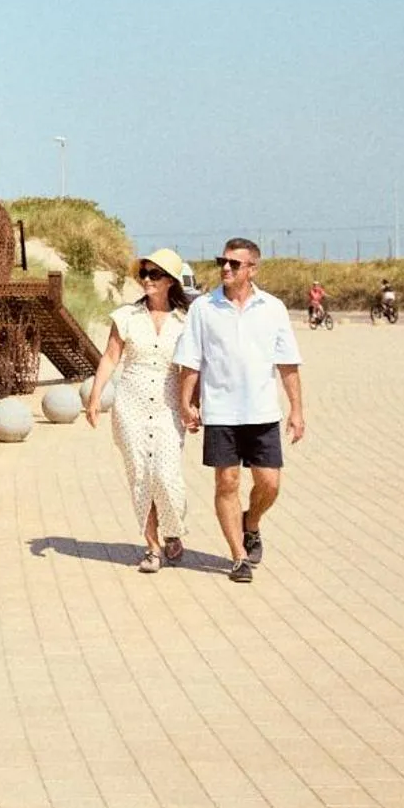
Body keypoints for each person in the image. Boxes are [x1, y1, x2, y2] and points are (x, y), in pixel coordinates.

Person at [173, 238, 305, 583]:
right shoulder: (204, 308)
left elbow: (288, 362)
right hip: (221, 413)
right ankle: (238, 557)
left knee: (270, 484)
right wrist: (187, 403)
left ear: (252, 269)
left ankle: (252, 522)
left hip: (263, 412)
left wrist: (297, 410)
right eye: (223, 262)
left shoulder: (273, 308)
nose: (226, 268)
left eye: (235, 263)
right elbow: (191, 360)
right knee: (227, 482)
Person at [84, 248, 191, 573]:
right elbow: (110, 358)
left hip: (168, 405)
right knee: (141, 475)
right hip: (130, 404)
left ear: (170, 281)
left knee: (166, 476)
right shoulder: (126, 316)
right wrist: (95, 397)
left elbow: (194, 367)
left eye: (154, 274)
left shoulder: (186, 320)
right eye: (143, 274)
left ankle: (173, 530)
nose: (146, 280)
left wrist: (193, 404)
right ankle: (153, 547)